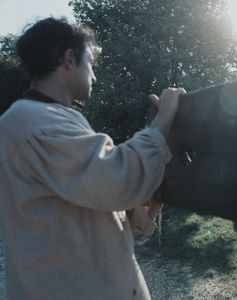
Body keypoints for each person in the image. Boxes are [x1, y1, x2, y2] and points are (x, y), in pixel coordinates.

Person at [0, 17, 186, 300]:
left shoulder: (37, 119)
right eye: (90, 64)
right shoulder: (32, 121)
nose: (94, 76)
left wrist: (139, 202)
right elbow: (114, 179)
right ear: (69, 59)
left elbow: (81, 198)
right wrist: (164, 119)